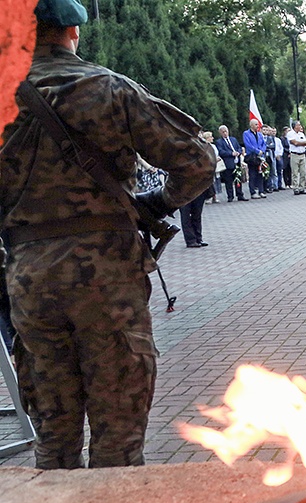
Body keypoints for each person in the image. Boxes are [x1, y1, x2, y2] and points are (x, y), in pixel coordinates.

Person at [0, 0, 215, 468]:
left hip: (28, 279)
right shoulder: (107, 89)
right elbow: (197, 162)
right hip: (107, 277)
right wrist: (155, 205)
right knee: (118, 438)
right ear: (72, 31)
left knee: (53, 439)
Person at [215, 125, 246, 202]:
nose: (225, 133)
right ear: (220, 133)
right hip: (228, 164)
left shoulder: (233, 139)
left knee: (238, 180)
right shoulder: (219, 142)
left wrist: (238, 152)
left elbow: (239, 147)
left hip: (236, 163)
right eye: (223, 132)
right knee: (228, 181)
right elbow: (221, 151)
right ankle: (230, 196)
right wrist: (231, 153)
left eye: (226, 131)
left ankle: (240, 194)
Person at [242, 118, 267, 199]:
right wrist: (257, 151)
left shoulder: (259, 134)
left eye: (258, 124)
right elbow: (248, 145)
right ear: (251, 125)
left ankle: (261, 191)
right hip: (252, 157)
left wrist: (262, 151)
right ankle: (253, 192)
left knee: (260, 174)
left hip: (260, 157)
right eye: (256, 124)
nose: (258, 126)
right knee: (252, 175)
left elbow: (264, 144)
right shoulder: (246, 133)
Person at [286, 120, 306, 195]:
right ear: (295, 126)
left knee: (303, 172)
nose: (300, 126)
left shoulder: (301, 134)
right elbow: (294, 143)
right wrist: (302, 143)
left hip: (302, 154)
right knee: (295, 172)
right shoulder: (290, 134)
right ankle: (295, 188)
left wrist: (301, 143)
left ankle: (302, 187)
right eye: (298, 125)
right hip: (294, 154)